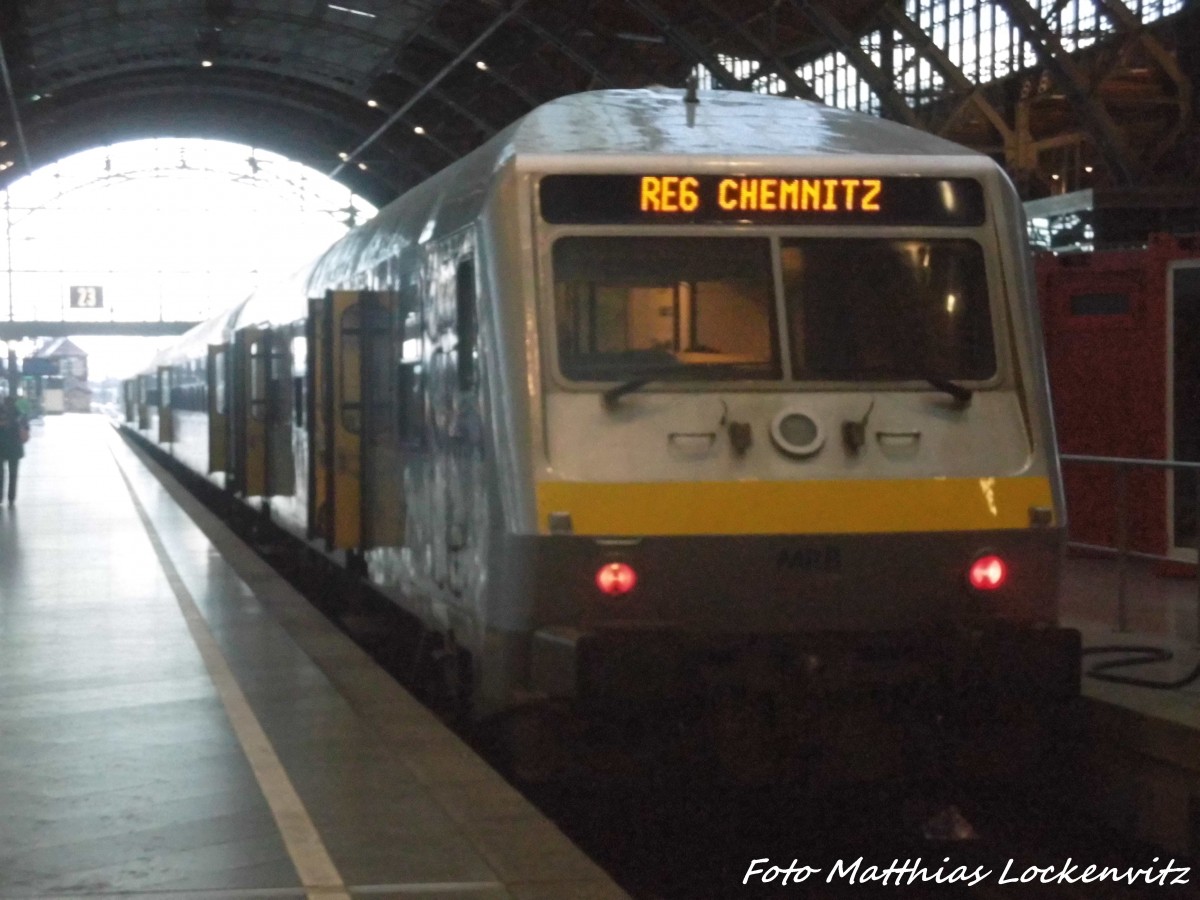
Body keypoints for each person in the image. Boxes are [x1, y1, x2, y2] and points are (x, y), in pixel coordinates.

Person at [0, 394, 28, 505]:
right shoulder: (19, 413)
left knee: (0, 474)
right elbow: (26, 428)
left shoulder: (2, 412)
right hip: (15, 448)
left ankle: (0, 496)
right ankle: (11, 497)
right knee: (13, 473)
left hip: (1, 446)